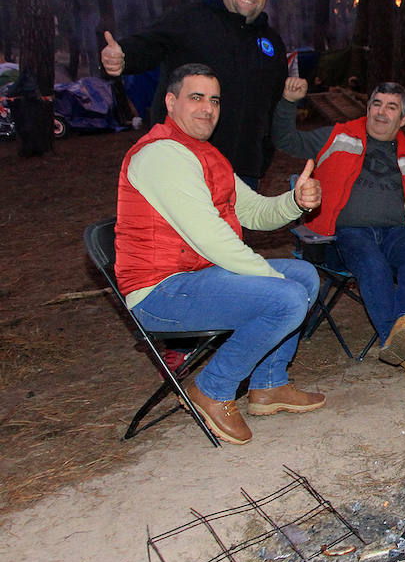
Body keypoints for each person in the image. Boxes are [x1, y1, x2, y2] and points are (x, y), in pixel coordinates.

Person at [115, 63, 325, 446]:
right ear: (170, 101)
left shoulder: (206, 154)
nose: (207, 109)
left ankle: (268, 386)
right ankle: (213, 387)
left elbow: (255, 212)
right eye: (196, 98)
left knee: (304, 277)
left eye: (214, 100)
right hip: (160, 292)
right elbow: (212, 239)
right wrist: (270, 279)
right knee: (287, 295)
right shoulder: (162, 155)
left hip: (196, 278)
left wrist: (295, 201)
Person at [272, 79, 405, 383]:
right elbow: (286, 139)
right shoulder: (337, 136)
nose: (381, 113)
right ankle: (401, 342)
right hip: (346, 233)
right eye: (376, 104)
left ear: (403, 119)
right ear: (368, 107)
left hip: (396, 231)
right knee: (372, 265)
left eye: (391, 108)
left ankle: (404, 334)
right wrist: (287, 102)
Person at [101, 0, 288, 187]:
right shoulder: (191, 19)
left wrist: (262, 156)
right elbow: (151, 43)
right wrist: (123, 56)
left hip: (243, 170)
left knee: (237, 225)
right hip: (185, 162)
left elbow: (273, 103)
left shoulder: (271, 43)